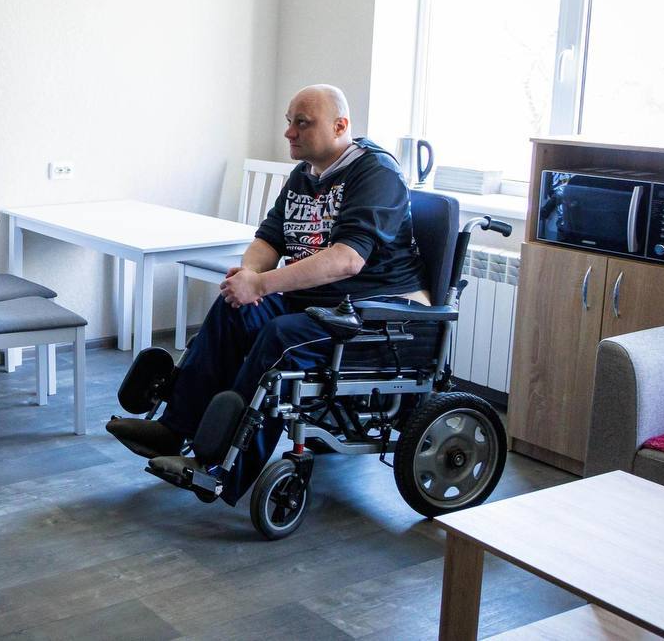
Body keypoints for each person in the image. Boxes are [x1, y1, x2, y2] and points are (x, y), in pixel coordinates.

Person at [107, 84, 428, 504]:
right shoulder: (305, 175)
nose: (289, 133)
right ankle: (174, 428)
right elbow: (269, 238)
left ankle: (220, 467)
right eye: (289, 122)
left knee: (281, 336)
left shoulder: (376, 173)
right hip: (318, 303)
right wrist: (249, 275)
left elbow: (347, 260)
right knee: (233, 309)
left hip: (374, 315)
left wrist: (261, 284)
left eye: (302, 123)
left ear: (340, 126)